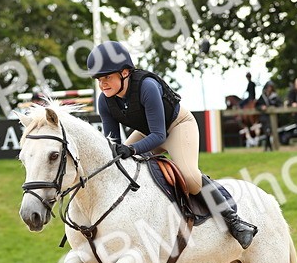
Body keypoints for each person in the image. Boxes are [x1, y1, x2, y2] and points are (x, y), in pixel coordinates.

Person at [86, 41, 257, 248]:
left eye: (107, 77)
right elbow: (113, 143)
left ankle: (234, 221)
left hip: (177, 126)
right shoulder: (105, 101)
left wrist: (131, 149)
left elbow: (159, 135)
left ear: (125, 72)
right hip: (147, 132)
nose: (102, 84)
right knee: (118, 165)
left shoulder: (147, 86)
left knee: (189, 177)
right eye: (99, 79)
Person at [255, 81, 282, 151]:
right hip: (264, 118)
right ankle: (268, 148)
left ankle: (268, 148)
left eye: (270, 87)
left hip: (273, 118)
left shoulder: (275, 96)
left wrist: (273, 106)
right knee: (267, 132)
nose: (269, 89)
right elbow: (257, 106)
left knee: (271, 132)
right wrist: (261, 107)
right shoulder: (263, 97)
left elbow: (280, 105)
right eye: (268, 87)